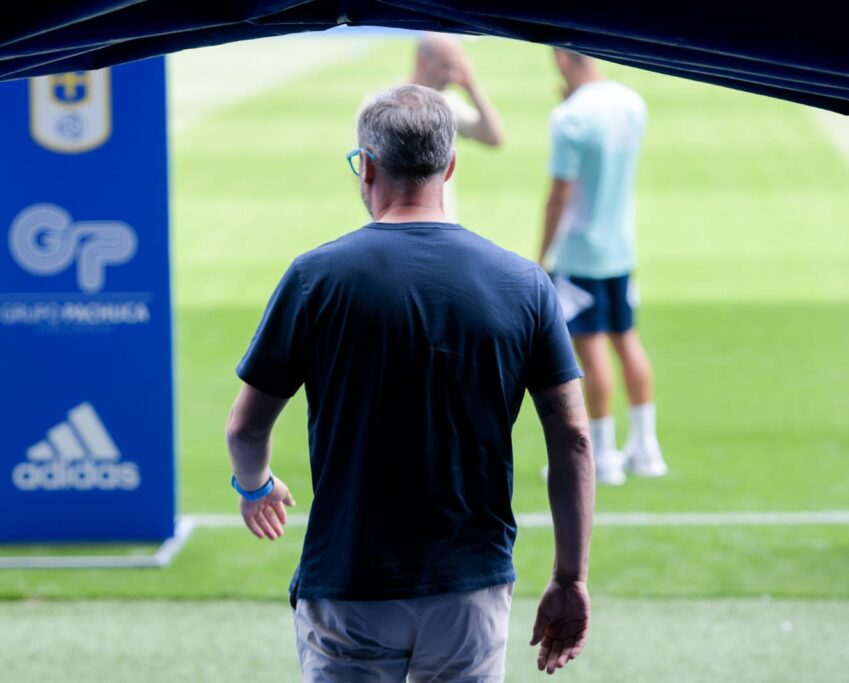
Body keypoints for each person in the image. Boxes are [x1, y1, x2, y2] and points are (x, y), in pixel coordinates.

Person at [226, 84, 593, 681]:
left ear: (365, 166)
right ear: (449, 166)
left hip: (349, 578)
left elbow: (245, 429)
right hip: (470, 584)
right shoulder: (524, 283)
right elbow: (573, 437)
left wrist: (255, 487)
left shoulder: (314, 278)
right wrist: (570, 578)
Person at [538, 48, 669, 486]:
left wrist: (541, 255)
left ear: (561, 56)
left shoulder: (570, 117)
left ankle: (604, 455)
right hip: (621, 248)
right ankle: (647, 447)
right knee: (627, 340)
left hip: (579, 253)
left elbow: (560, 195)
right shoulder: (632, 103)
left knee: (590, 349)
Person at [409, 32, 504, 221]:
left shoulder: (448, 104)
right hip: (398, 229)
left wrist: (472, 88)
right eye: (445, 66)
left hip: (442, 226)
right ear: (422, 61)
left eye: (455, 67)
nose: (451, 76)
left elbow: (494, 138)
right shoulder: (384, 106)